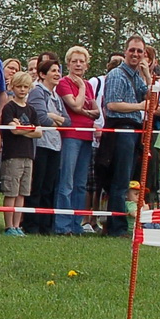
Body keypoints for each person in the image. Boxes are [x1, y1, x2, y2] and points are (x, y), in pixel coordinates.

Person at [99, 35, 154, 237]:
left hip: (134, 132)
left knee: (127, 179)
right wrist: (139, 106)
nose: (136, 54)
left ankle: (121, 225)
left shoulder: (136, 76)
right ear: (125, 52)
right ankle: (116, 227)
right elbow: (112, 105)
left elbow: (151, 97)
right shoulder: (117, 75)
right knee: (119, 181)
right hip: (121, 130)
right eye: (132, 50)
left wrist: (148, 75)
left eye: (140, 51)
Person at [53, 46, 98, 234]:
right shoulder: (64, 83)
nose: (78, 64)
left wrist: (84, 110)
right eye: (74, 61)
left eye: (81, 61)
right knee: (67, 182)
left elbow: (96, 111)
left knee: (80, 183)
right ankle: (62, 225)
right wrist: (80, 89)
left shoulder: (88, 85)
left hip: (87, 136)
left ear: (87, 65)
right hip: (71, 136)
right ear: (68, 64)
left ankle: (76, 224)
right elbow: (75, 105)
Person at [24, 56, 65, 235]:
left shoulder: (57, 96)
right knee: (37, 186)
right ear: (42, 74)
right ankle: (31, 225)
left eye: (58, 71)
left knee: (49, 187)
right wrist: (54, 118)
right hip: (40, 144)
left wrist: (54, 117)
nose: (57, 74)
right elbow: (41, 119)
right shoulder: (37, 92)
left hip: (55, 145)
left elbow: (68, 120)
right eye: (53, 71)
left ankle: (46, 226)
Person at [0, 69, 37, 235]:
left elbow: (39, 132)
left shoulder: (31, 110)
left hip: (28, 155)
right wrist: (27, 129)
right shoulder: (9, 108)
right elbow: (12, 130)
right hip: (12, 155)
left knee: (22, 192)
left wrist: (22, 128)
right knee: (11, 191)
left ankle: (17, 225)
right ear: (12, 87)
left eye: (25, 86)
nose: (22, 89)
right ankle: (8, 226)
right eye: (19, 86)